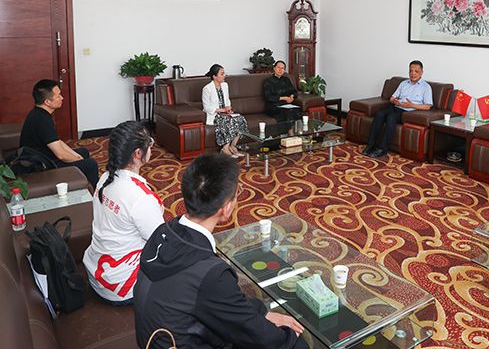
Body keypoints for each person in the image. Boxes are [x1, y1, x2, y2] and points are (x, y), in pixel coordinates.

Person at [134, 153, 308, 349]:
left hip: (154, 338)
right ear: (226, 209)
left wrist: (262, 312)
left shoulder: (164, 231)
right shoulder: (210, 274)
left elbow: (216, 299)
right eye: (236, 193)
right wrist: (290, 337)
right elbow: (255, 334)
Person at [83, 121, 164, 305]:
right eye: (150, 143)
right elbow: (160, 242)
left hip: (97, 272)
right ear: (138, 154)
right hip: (121, 285)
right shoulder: (140, 197)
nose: (151, 147)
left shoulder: (105, 177)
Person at [20, 79, 99, 187]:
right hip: (40, 166)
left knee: (83, 152)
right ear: (47, 102)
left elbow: (57, 141)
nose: (62, 98)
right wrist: (77, 159)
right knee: (91, 164)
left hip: (45, 157)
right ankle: (95, 192)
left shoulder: (39, 113)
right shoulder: (42, 120)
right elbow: (61, 155)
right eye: (58, 96)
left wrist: (77, 156)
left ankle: (82, 185)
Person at [363, 61, 433, 158]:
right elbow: (392, 98)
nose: (413, 74)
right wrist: (394, 101)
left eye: (416, 71)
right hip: (396, 106)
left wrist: (412, 105)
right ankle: (370, 145)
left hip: (408, 112)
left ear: (421, 72)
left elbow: (428, 106)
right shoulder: (404, 83)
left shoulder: (426, 87)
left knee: (391, 117)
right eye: (411, 71)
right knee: (379, 114)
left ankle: (382, 149)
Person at [202, 64, 249, 157]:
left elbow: (227, 100)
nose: (224, 76)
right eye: (222, 74)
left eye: (224, 73)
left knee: (240, 119)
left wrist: (228, 109)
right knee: (228, 121)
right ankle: (225, 148)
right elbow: (206, 107)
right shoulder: (207, 89)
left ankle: (233, 146)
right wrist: (222, 110)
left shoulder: (225, 85)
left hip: (225, 113)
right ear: (214, 76)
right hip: (214, 114)